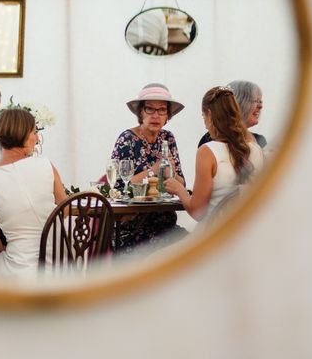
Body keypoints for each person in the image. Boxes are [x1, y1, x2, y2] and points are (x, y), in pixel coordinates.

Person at [0, 105, 67, 279]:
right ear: (23, 135)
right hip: (61, 265)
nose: (37, 138)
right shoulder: (46, 165)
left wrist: (2, 254)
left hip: (19, 270)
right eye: (34, 132)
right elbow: (66, 210)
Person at [165, 85, 265, 220]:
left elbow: (198, 212)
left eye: (203, 116)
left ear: (210, 115)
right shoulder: (256, 149)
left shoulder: (207, 152)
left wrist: (179, 190)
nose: (205, 124)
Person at [109, 83, 186, 250]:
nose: (156, 115)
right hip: (133, 227)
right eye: (150, 109)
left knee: (198, 250)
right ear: (140, 112)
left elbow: (181, 185)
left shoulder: (168, 138)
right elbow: (120, 188)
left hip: (166, 225)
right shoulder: (127, 139)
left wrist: (171, 174)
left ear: (168, 115)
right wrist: (155, 169)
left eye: (162, 110)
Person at [197, 80, 267, 148]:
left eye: (260, 101)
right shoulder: (211, 139)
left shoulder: (260, 141)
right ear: (236, 102)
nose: (260, 106)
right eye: (255, 101)